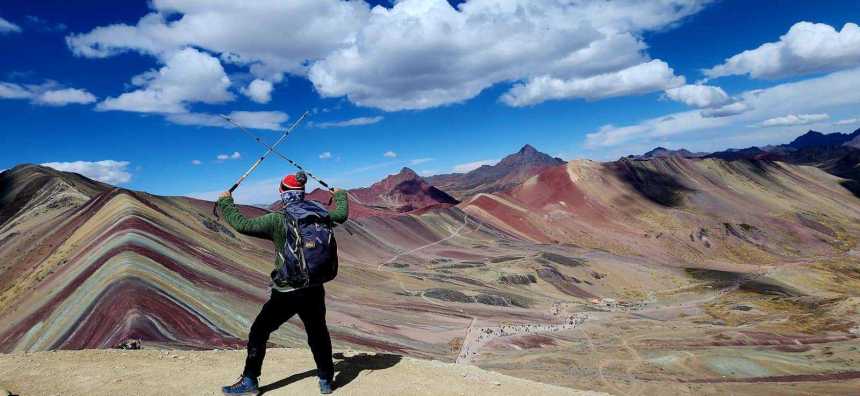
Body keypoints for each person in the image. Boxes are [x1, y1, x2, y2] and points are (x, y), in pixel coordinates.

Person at [218, 172, 349, 395]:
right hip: (314, 287)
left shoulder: (277, 219)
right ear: (302, 193)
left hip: (287, 291)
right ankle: (326, 380)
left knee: (259, 331)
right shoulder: (320, 214)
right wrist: (341, 195)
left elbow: (242, 225)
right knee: (317, 332)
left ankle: (250, 381)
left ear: (282, 193)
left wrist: (226, 202)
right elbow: (342, 214)